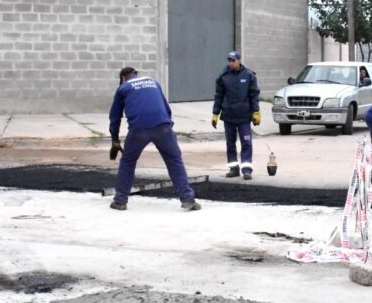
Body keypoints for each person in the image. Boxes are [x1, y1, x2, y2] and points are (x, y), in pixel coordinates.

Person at [109, 66, 201, 211]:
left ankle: (120, 201)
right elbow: (166, 108)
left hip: (138, 130)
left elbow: (115, 118)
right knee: (174, 160)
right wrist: (168, 127)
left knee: (128, 161)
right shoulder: (153, 82)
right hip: (162, 127)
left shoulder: (123, 88)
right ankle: (188, 199)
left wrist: (115, 140)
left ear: (122, 78)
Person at [211, 51, 261, 180]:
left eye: (233, 60)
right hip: (228, 116)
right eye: (229, 60)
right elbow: (219, 96)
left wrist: (256, 112)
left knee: (246, 142)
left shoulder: (249, 75)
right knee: (230, 143)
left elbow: (253, 94)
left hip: (244, 116)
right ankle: (233, 168)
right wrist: (215, 113)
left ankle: (247, 170)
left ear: (239, 60)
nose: (231, 63)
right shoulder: (223, 76)